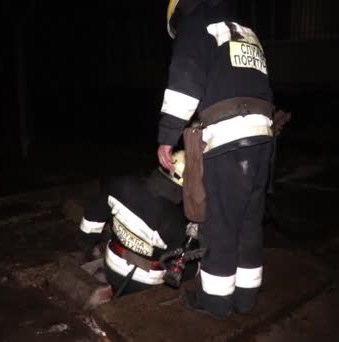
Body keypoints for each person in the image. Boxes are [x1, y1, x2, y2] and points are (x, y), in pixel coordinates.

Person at [157, 0, 275, 319]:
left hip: (229, 138)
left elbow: (185, 83)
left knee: (219, 225)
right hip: (262, 137)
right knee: (249, 222)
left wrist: (167, 137)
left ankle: (216, 304)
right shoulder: (244, 30)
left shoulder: (196, 25)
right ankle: (246, 299)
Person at [64, 151, 197, 295]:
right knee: (195, 267)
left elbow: (90, 223)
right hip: (144, 284)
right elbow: (175, 264)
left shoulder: (120, 185)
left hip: (111, 265)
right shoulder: (175, 221)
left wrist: (86, 245)